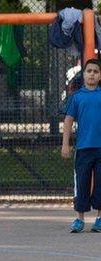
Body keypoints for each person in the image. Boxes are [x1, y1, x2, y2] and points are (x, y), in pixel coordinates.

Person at [61, 59, 101, 233]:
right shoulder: (77, 97)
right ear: (83, 74)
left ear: (100, 76)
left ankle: (99, 219)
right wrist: (65, 145)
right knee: (82, 182)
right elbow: (68, 121)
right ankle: (79, 218)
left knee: (100, 184)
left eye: (96, 71)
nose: (92, 74)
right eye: (89, 71)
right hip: (83, 148)